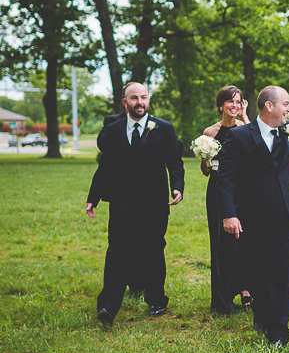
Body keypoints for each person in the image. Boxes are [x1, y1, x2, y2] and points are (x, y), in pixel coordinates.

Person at [216, 85, 289, 347]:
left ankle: (278, 329)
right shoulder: (239, 136)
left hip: (288, 218)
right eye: (286, 104)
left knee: (285, 274)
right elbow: (226, 180)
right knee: (258, 273)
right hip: (252, 220)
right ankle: (263, 314)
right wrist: (228, 215)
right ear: (270, 106)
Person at [85, 82, 185, 325]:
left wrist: (177, 186)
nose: (139, 102)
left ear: (148, 100)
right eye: (134, 98)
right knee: (117, 251)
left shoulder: (163, 128)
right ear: (124, 102)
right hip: (122, 203)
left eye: (143, 97)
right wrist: (93, 197)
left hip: (154, 204)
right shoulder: (114, 129)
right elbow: (105, 165)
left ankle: (156, 299)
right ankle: (108, 306)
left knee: (152, 249)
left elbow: (175, 161)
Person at [200, 85, 252, 315]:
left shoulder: (244, 127)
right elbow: (205, 170)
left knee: (243, 240)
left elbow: (256, 144)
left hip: (244, 189)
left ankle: (245, 287)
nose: (235, 105)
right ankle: (222, 296)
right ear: (221, 105)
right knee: (221, 242)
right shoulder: (210, 133)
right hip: (219, 188)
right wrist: (206, 156)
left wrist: (245, 116)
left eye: (238, 102)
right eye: (231, 101)